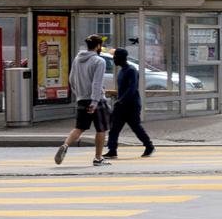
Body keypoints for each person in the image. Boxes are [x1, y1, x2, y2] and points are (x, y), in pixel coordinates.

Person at [56, 34, 110, 166]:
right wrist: (94, 102)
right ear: (98, 46)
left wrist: (78, 94)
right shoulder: (99, 61)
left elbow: (71, 79)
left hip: (81, 99)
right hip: (95, 100)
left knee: (79, 128)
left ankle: (65, 145)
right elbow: (97, 83)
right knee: (101, 129)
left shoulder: (77, 59)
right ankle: (98, 158)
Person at [107, 46, 154, 157]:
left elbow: (132, 89)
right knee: (114, 128)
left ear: (120, 58)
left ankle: (149, 146)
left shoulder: (131, 70)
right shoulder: (122, 71)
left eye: (114, 57)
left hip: (131, 105)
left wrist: (121, 101)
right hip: (122, 105)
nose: (113, 59)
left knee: (136, 127)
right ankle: (112, 150)